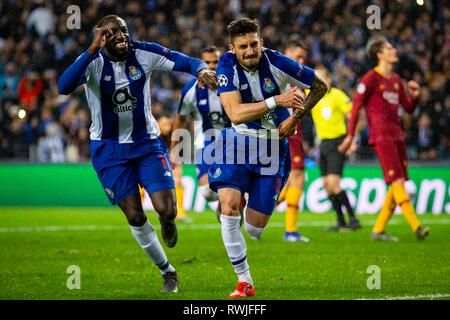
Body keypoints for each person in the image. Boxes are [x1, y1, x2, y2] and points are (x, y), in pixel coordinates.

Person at [57, 15, 217, 293]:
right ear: (101, 37)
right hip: (108, 150)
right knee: (134, 215)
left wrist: (202, 71)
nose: (121, 36)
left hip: (146, 144)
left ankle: (167, 221)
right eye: (112, 32)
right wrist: (91, 48)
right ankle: (168, 272)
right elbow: (63, 86)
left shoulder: (144, 53)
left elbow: (187, 62)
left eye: (124, 30)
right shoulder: (93, 62)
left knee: (167, 209)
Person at [209, 18, 327, 298]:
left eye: (253, 44)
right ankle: (244, 281)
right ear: (232, 48)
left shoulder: (278, 63)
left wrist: (296, 117)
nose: (249, 51)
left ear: (261, 42)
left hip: (274, 148)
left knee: (254, 228)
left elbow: (320, 86)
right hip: (237, 142)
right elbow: (235, 113)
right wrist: (279, 101)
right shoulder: (226, 65)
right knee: (228, 207)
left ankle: (243, 199)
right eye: (242, 47)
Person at [339, 37, 429, 241]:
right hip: (381, 136)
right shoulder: (370, 78)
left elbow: (408, 108)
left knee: (397, 182)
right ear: (379, 54)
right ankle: (416, 226)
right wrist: (351, 136)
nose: (394, 50)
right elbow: (356, 108)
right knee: (397, 180)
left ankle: (378, 229)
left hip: (398, 136)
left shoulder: (396, 80)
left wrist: (415, 96)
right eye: (389, 48)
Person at [170, 46, 231, 221]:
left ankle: (233, 201)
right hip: (205, 143)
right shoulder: (190, 90)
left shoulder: (233, 84)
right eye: (207, 63)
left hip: (234, 141)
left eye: (215, 62)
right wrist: (174, 149)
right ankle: (229, 200)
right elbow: (180, 119)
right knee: (207, 193)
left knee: (232, 187)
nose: (212, 66)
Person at [310, 66, 361, 231]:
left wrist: (351, 139)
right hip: (323, 144)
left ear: (329, 79)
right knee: (326, 184)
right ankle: (341, 221)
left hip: (337, 142)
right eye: (315, 77)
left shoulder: (338, 96)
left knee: (334, 183)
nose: (318, 80)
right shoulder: (312, 96)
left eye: (321, 77)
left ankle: (353, 219)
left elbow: (352, 116)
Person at [276, 40, 310, 243]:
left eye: (303, 58)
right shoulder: (280, 74)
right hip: (287, 132)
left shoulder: (298, 79)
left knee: (293, 179)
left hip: (294, 133)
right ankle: (290, 230)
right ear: (286, 53)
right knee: (297, 177)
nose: (301, 61)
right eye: (297, 56)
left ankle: (259, 210)